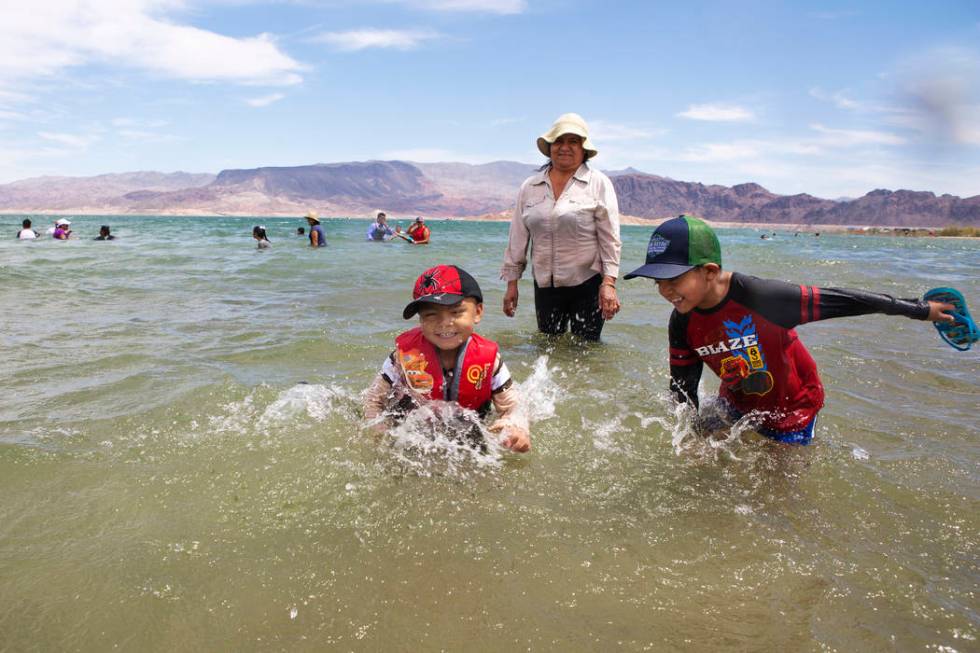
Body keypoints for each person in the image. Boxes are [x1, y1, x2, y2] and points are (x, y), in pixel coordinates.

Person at [623, 215, 956, 445]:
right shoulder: (682, 320)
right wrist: (687, 437)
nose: (664, 290)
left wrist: (920, 309)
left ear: (710, 271)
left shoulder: (761, 297)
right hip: (738, 400)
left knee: (778, 491)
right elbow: (682, 389)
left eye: (673, 279)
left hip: (794, 406)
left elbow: (847, 300)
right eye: (657, 281)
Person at [362, 264, 531, 452]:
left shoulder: (492, 363)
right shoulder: (401, 358)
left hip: (468, 433)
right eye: (431, 314)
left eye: (456, 312)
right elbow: (373, 400)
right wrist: (380, 433)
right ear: (420, 320)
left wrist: (516, 427)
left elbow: (512, 406)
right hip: (415, 435)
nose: (444, 323)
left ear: (478, 312)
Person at [501, 113, 622, 341]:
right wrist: (512, 284)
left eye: (573, 142)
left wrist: (609, 283)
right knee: (547, 348)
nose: (565, 147)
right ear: (550, 147)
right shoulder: (530, 186)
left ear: (584, 149)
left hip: (587, 283)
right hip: (545, 286)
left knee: (586, 350)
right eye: (559, 141)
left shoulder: (598, 183)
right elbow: (518, 237)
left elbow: (610, 238)